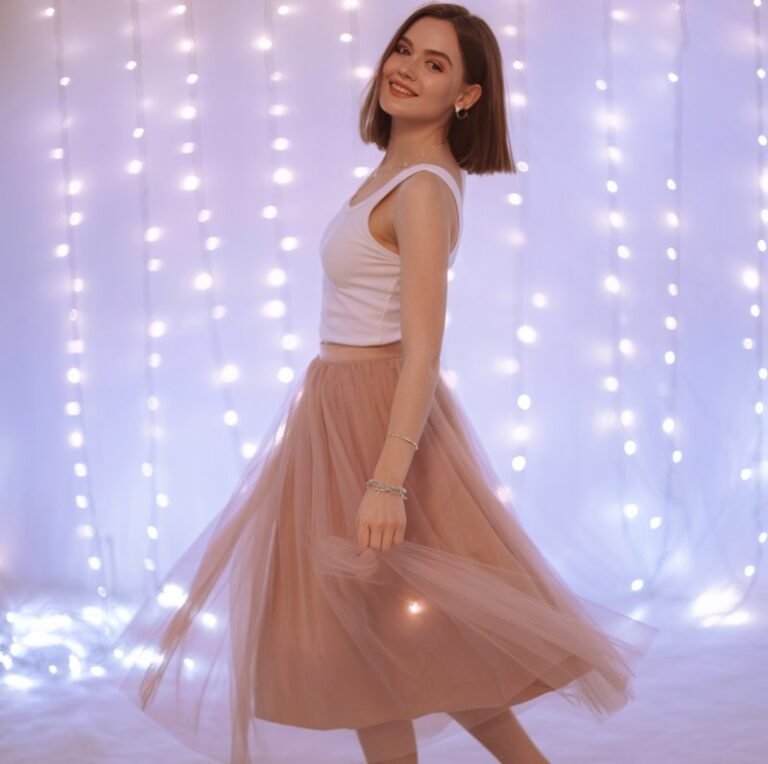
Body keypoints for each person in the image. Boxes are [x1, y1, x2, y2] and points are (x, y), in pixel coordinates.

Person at [112, 4, 658, 763]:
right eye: (405, 49)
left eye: (435, 63)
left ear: (466, 95)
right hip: (335, 410)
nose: (405, 67)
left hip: (377, 424)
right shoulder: (393, 171)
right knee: (383, 656)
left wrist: (387, 481)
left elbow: (424, 350)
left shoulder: (425, 190)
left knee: (396, 650)